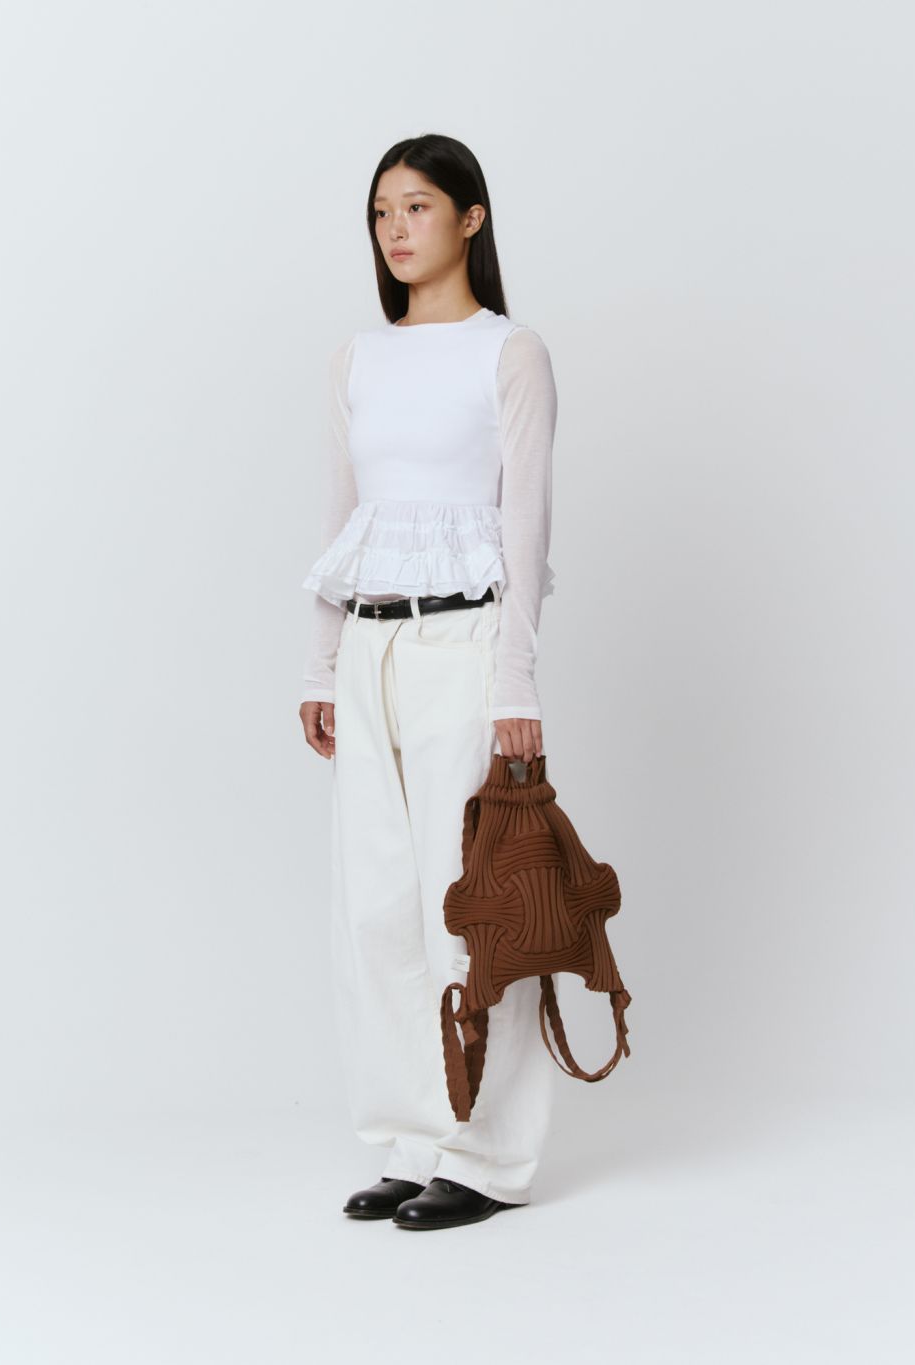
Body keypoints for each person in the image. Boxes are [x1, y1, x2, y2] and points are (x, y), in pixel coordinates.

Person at [298, 133, 559, 1231]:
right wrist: (321, 661)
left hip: (467, 642)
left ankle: (487, 1155)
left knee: (472, 902)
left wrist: (516, 686)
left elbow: (525, 526)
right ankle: (411, 1138)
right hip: (369, 646)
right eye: (380, 213)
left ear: (470, 217)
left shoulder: (510, 353)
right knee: (375, 906)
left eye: (415, 206)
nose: (395, 229)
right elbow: (343, 512)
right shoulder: (358, 358)